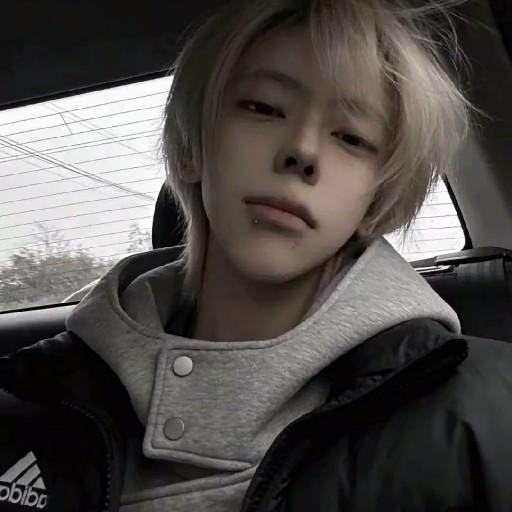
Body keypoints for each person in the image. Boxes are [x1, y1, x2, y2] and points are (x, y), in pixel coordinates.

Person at [1, 0, 512, 511]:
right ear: (193, 147)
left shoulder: (490, 419)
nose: (303, 150)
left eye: (352, 137)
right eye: (264, 107)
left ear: (377, 201)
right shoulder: (28, 399)